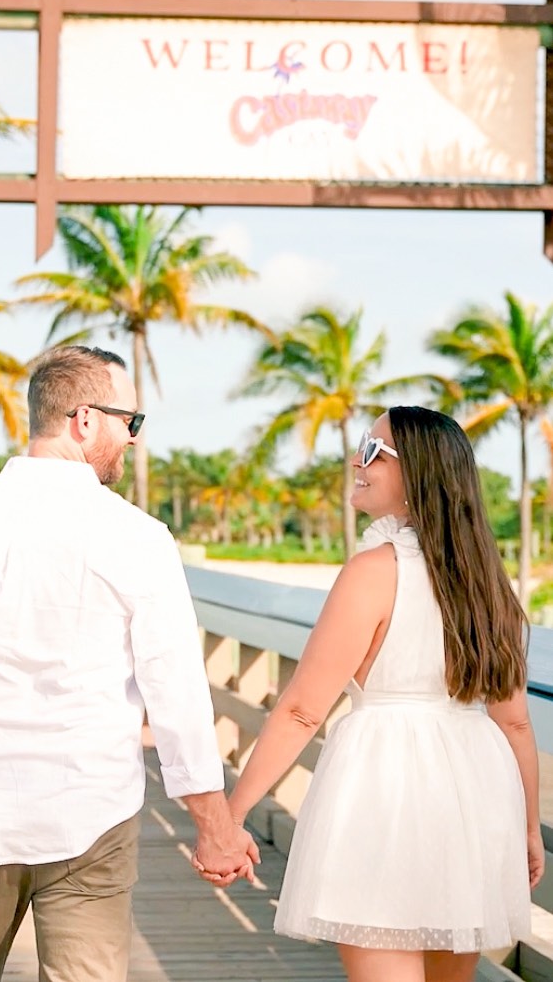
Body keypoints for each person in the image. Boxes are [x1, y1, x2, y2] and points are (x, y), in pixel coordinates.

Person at [0, 344, 259, 982]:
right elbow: (175, 691)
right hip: (89, 811)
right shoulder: (138, 536)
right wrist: (214, 825)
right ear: (85, 420)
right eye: (131, 421)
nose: (134, 438)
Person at [201, 406, 544, 982]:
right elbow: (515, 724)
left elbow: (303, 710)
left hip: (385, 791)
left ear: (417, 473)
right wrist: (528, 828)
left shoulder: (374, 571)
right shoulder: (487, 582)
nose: (355, 462)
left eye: (372, 451)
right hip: (477, 799)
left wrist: (230, 819)